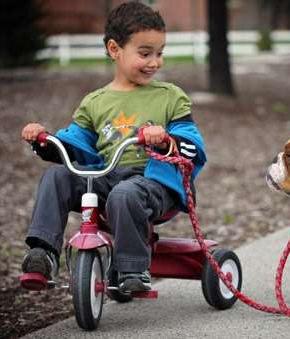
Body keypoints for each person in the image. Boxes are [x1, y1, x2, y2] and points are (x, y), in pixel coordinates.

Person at [20, 1, 206, 292]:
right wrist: (44, 141)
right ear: (114, 50)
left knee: (126, 193)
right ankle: (42, 253)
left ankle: (132, 270)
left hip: (155, 181)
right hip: (108, 176)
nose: (155, 62)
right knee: (57, 177)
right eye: (145, 54)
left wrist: (168, 140)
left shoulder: (171, 97)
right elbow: (74, 146)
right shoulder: (95, 102)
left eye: (160, 53)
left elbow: (192, 142)